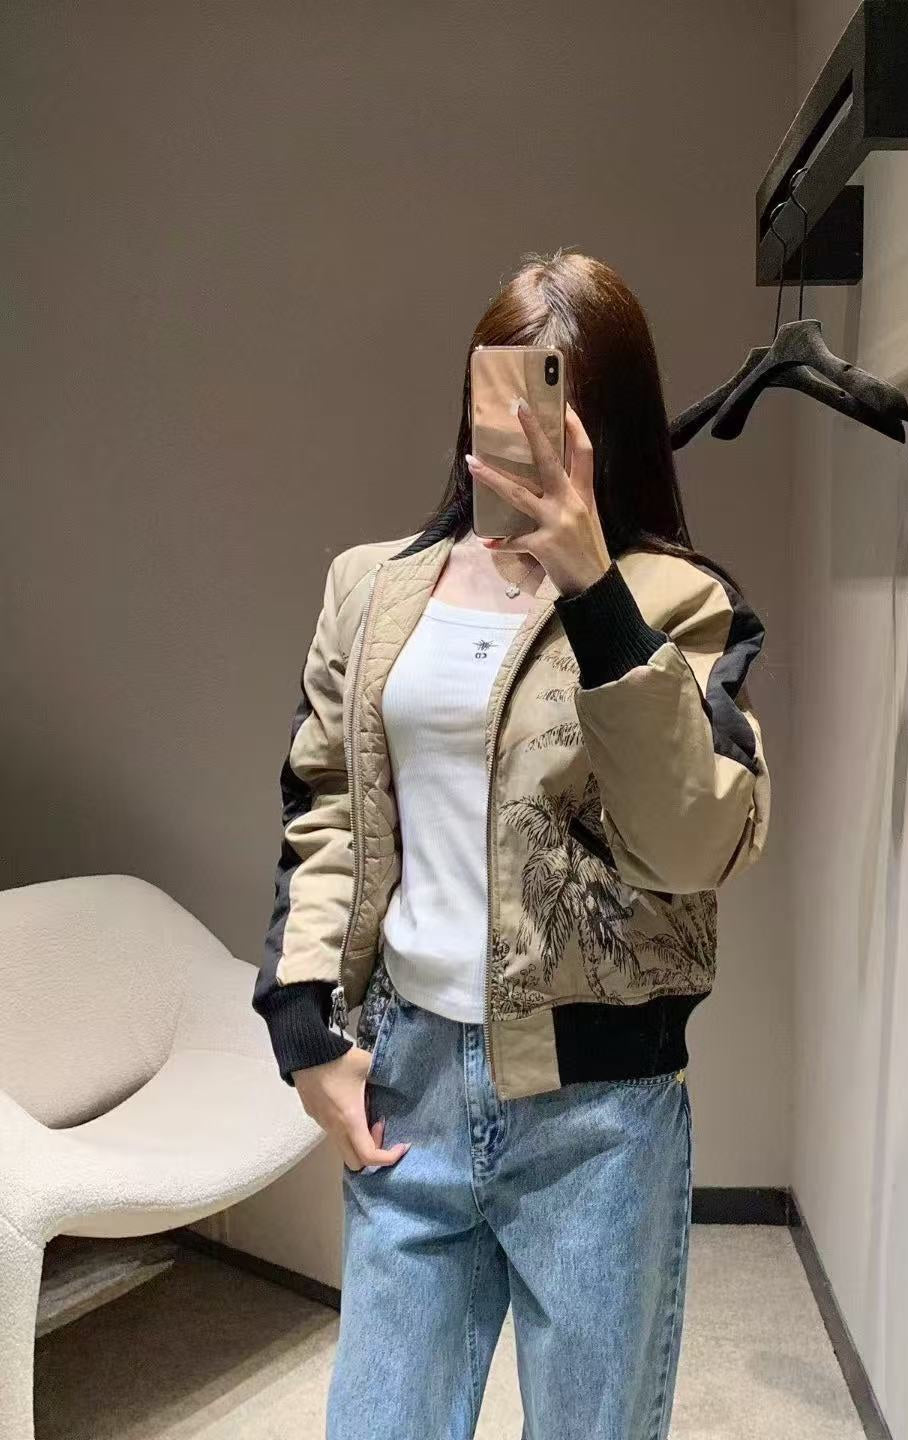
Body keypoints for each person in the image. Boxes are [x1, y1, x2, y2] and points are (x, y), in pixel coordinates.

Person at [252, 247, 771, 1440]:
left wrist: (593, 590)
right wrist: (302, 1021)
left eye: (559, 405)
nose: (527, 433)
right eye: (505, 394)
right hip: (409, 1087)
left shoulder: (680, 605)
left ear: (610, 426)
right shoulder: (372, 590)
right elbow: (323, 802)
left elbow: (693, 840)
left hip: (600, 1116)